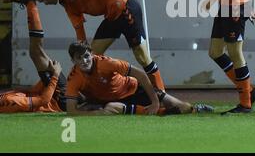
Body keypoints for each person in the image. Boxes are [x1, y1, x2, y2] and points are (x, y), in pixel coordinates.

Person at [5, 0, 165, 92]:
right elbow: (79, 30)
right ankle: (104, 92)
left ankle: (161, 93)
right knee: (91, 57)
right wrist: (80, 54)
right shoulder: (68, 5)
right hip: (112, 16)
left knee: (142, 57)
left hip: (125, 6)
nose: (44, 3)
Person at [66, 41, 213, 116]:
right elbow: (71, 111)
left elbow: (141, 75)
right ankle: (158, 112)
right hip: (111, 101)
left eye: (86, 56)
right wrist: (95, 113)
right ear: (73, 61)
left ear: (91, 54)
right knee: (110, 107)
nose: (84, 61)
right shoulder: (73, 78)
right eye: (79, 58)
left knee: (183, 108)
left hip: (134, 90)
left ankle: (195, 109)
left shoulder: (107, 63)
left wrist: (155, 102)